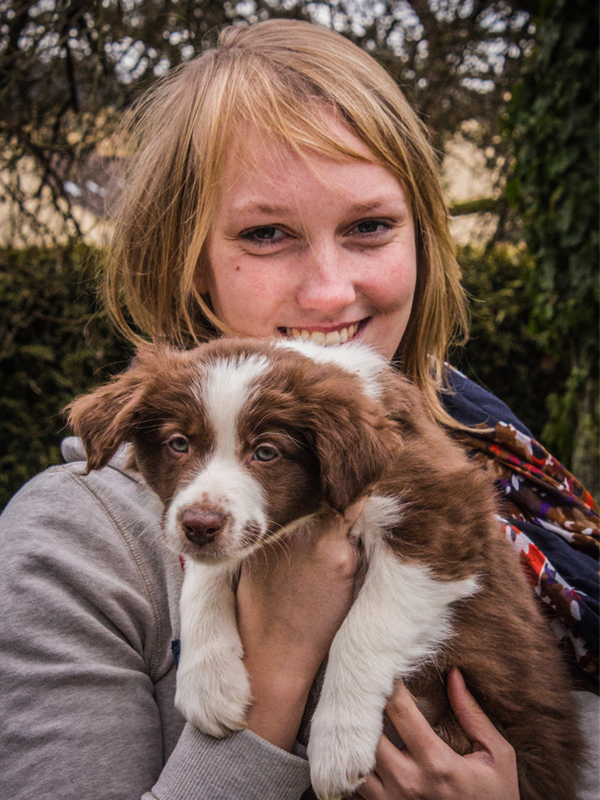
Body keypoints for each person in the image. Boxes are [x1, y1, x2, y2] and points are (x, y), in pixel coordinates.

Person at [0, 19, 597, 800]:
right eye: (268, 232)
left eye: (370, 226)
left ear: (423, 236)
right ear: (188, 266)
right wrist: (274, 676)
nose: (328, 290)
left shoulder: (490, 459)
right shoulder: (77, 546)